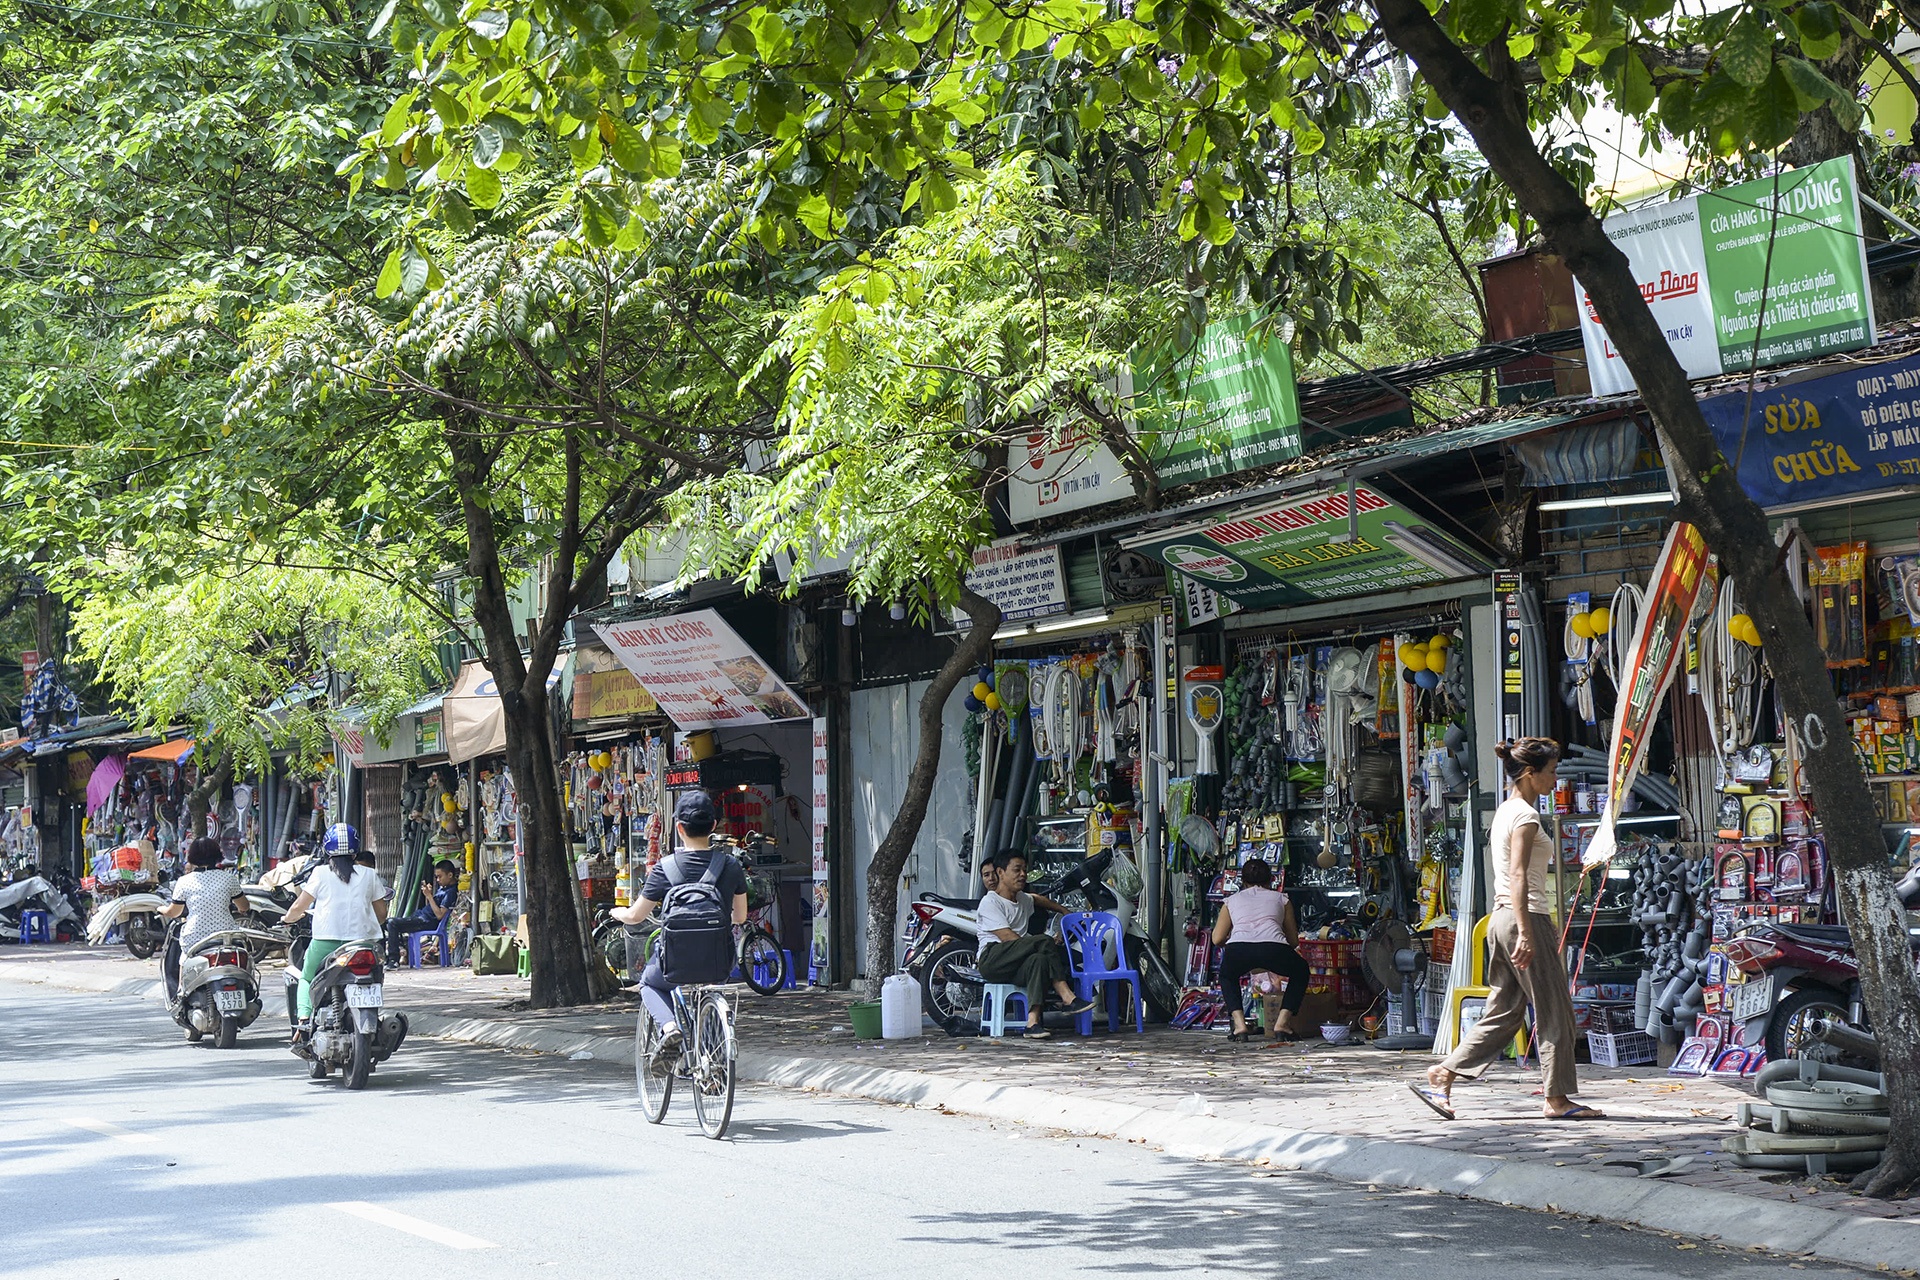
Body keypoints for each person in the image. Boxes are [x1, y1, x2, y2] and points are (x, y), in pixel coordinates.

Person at [1411, 737, 1602, 1121]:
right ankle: (1557, 1098)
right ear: (1530, 774)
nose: (1555, 779)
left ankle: (1444, 1073)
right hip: (1523, 918)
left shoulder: (1505, 811)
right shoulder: (1527, 818)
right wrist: (1529, 932)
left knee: (1505, 1011)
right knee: (1554, 1010)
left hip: (1501, 919)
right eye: (1550, 772)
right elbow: (1517, 874)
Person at [610, 791, 748, 1072]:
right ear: (714, 826)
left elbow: (636, 916)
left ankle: (670, 1027)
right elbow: (740, 916)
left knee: (649, 983)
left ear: (679, 828)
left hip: (675, 961)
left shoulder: (665, 868)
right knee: (712, 987)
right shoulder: (730, 865)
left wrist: (618, 912)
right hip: (718, 961)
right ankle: (713, 1063)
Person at [280, 823, 390, 1045]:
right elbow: (382, 913)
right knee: (376, 975)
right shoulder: (369, 874)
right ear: (356, 849)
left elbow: (299, 907)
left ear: (326, 850)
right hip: (364, 943)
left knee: (307, 976)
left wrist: (287, 919)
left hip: (326, 942)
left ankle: (303, 1019)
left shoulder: (319, 873)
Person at [976, 851, 1094, 1039]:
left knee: (1039, 961)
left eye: (1024, 870)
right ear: (1000, 872)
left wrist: (1064, 911)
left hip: (1015, 962)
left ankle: (1032, 1023)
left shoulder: (1022, 898)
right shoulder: (990, 901)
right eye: (1016, 870)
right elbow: (1007, 937)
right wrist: (1036, 944)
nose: (1023, 874)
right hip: (993, 959)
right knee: (1044, 942)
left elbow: (1037, 898)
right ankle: (1067, 996)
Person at [1211, 858, 1310, 1042]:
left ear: (1242, 881)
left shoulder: (1231, 901)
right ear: (1271, 880)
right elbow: (1293, 940)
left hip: (1239, 948)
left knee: (1227, 975)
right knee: (1301, 971)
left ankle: (1240, 1026)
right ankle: (1282, 1024)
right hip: (1274, 948)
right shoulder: (1281, 899)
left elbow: (1217, 938)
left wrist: (1236, 942)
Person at [159, 838, 248, 998]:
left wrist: (161, 909)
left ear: (192, 857)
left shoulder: (184, 881)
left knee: (183, 960)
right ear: (217, 855)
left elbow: (175, 912)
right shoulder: (228, 878)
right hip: (226, 935)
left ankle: (181, 994)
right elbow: (244, 906)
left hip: (196, 937)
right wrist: (240, 909)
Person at [385, 859, 459, 963]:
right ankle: (400, 949)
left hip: (426, 922)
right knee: (385, 923)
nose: (437, 880)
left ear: (450, 875)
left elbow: (440, 915)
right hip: (420, 917)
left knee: (392, 923)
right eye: (436, 877)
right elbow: (432, 907)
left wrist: (429, 896)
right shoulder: (443, 888)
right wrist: (428, 895)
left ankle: (393, 960)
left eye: (440, 876)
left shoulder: (450, 892)